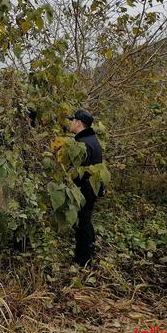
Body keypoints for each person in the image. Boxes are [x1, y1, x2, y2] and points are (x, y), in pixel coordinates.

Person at [67, 109, 103, 266]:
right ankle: (88, 252)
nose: (70, 123)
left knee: (83, 224)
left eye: (72, 120)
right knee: (85, 221)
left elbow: (80, 172)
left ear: (78, 123)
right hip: (90, 190)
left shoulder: (83, 144)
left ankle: (83, 260)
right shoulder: (91, 139)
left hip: (84, 191)